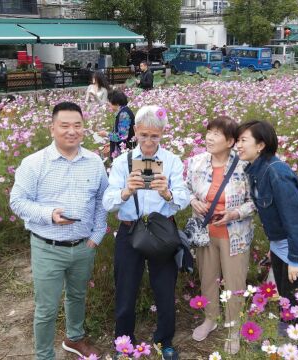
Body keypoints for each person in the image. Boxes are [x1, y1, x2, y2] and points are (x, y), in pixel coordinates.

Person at [10, 101, 107, 360]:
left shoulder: (94, 162)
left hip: (83, 246)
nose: (71, 131)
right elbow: (17, 201)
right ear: (52, 128)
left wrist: (97, 235)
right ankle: (44, 355)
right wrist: (49, 215)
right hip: (47, 247)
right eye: (64, 125)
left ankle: (74, 339)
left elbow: (101, 199)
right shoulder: (34, 163)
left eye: (77, 125)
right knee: (46, 308)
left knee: (77, 296)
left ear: (84, 129)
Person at [103, 105, 189, 360]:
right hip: (130, 231)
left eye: (155, 136)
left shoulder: (172, 160)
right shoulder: (122, 162)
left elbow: (183, 198)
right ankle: (125, 342)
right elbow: (108, 203)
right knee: (126, 288)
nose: (149, 141)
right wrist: (126, 191)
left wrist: (167, 193)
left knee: (164, 288)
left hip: (161, 230)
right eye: (144, 135)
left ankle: (165, 341)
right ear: (136, 132)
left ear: (162, 134)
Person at [236, 120, 298, 336]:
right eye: (238, 140)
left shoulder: (276, 172)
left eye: (243, 140)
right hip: (280, 244)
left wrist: (296, 259)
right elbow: (274, 215)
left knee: (295, 301)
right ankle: (285, 340)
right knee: (284, 295)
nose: (238, 145)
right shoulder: (256, 171)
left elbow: (297, 220)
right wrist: (274, 246)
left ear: (261, 145)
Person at [185, 116, 254, 354]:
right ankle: (210, 318)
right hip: (205, 233)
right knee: (208, 277)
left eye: (217, 134)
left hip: (234, 235)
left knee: (235, 282)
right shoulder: (196, 162)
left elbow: (254, 202)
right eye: (209, 132)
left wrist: (234, 213)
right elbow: (184, 188)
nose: (210, 137)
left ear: (231, 141)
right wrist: (194, 201)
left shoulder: (244, 166)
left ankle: (234, 327)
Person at [99, 89, 135, 159]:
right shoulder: (123, 111)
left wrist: (106, 134)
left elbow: (122, 137)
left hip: (125, 154)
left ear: (117, 103)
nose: (108, 103)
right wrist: (111, 143)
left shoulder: (124, 114)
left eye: (110, 101)